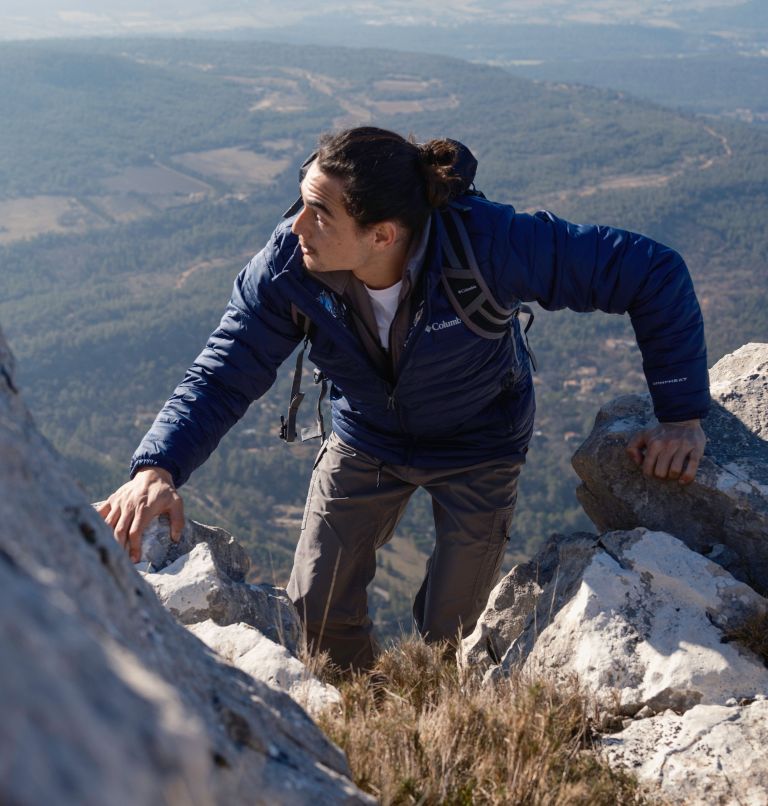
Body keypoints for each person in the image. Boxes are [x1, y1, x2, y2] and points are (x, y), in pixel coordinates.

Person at [98, 126, 708, 672]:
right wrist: (159, 465)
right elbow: (225, 370)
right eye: (299, 203)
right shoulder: (290, 267)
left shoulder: (486, 244)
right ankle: (356, 721)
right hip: (367, 436)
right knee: (317, 610)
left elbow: (651, 271)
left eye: (318, 213)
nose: (295, 226)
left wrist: (680, 415)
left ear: (382, 234)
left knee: (452, 632)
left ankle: (431, 718)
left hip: (481, 442)